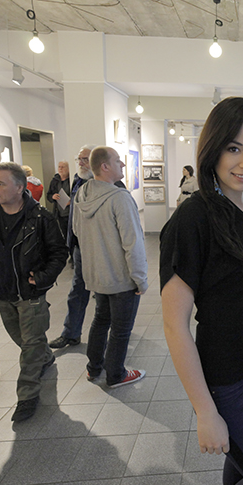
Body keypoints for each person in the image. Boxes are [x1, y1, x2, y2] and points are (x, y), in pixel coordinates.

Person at [160, 97, 243, 485]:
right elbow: (174, 325)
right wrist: (205, 411)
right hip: (226, 379)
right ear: (212, 148)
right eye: (234, 148)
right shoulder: (193, 217)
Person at [0, 162, 68, 422]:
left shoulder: (40, 218)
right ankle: (45, 358)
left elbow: (59, 253)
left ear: (20, 187)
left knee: (30, 344)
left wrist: (42, 278)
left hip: (30, 293)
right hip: (1, 292)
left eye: (0, 183)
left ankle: (27, 396)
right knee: (22, 340)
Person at [72, 146, 147, 388]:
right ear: (105, 166)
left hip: (97, 276)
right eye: (117, 161)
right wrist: (140, 278)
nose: (123, 164)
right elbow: (133, 243)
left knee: (100, 320)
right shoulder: (120, 198)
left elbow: (76, 232)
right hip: (121, 278)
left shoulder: (82, 194)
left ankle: (94, 368)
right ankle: (116, 375)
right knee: (121, 329)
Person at [49, 146, 127, 350]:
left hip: (103, 248)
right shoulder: (78, 183)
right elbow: (75, 220)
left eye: (85, 159)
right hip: (81, 247)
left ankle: (113, 333)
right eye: (79, 159)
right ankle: (71, 333)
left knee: (105, 297)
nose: (81, 163)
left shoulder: (115, 186)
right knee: (77, 290)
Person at [46, 160, 71, 238]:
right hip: (59, 213)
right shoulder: (55, 180)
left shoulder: (72, 180)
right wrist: (53, 197)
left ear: (68, 168)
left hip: (70, 213)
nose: (60, 169)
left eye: (63, 167)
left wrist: (71, 201)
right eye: (59, 167)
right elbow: (48, 195)